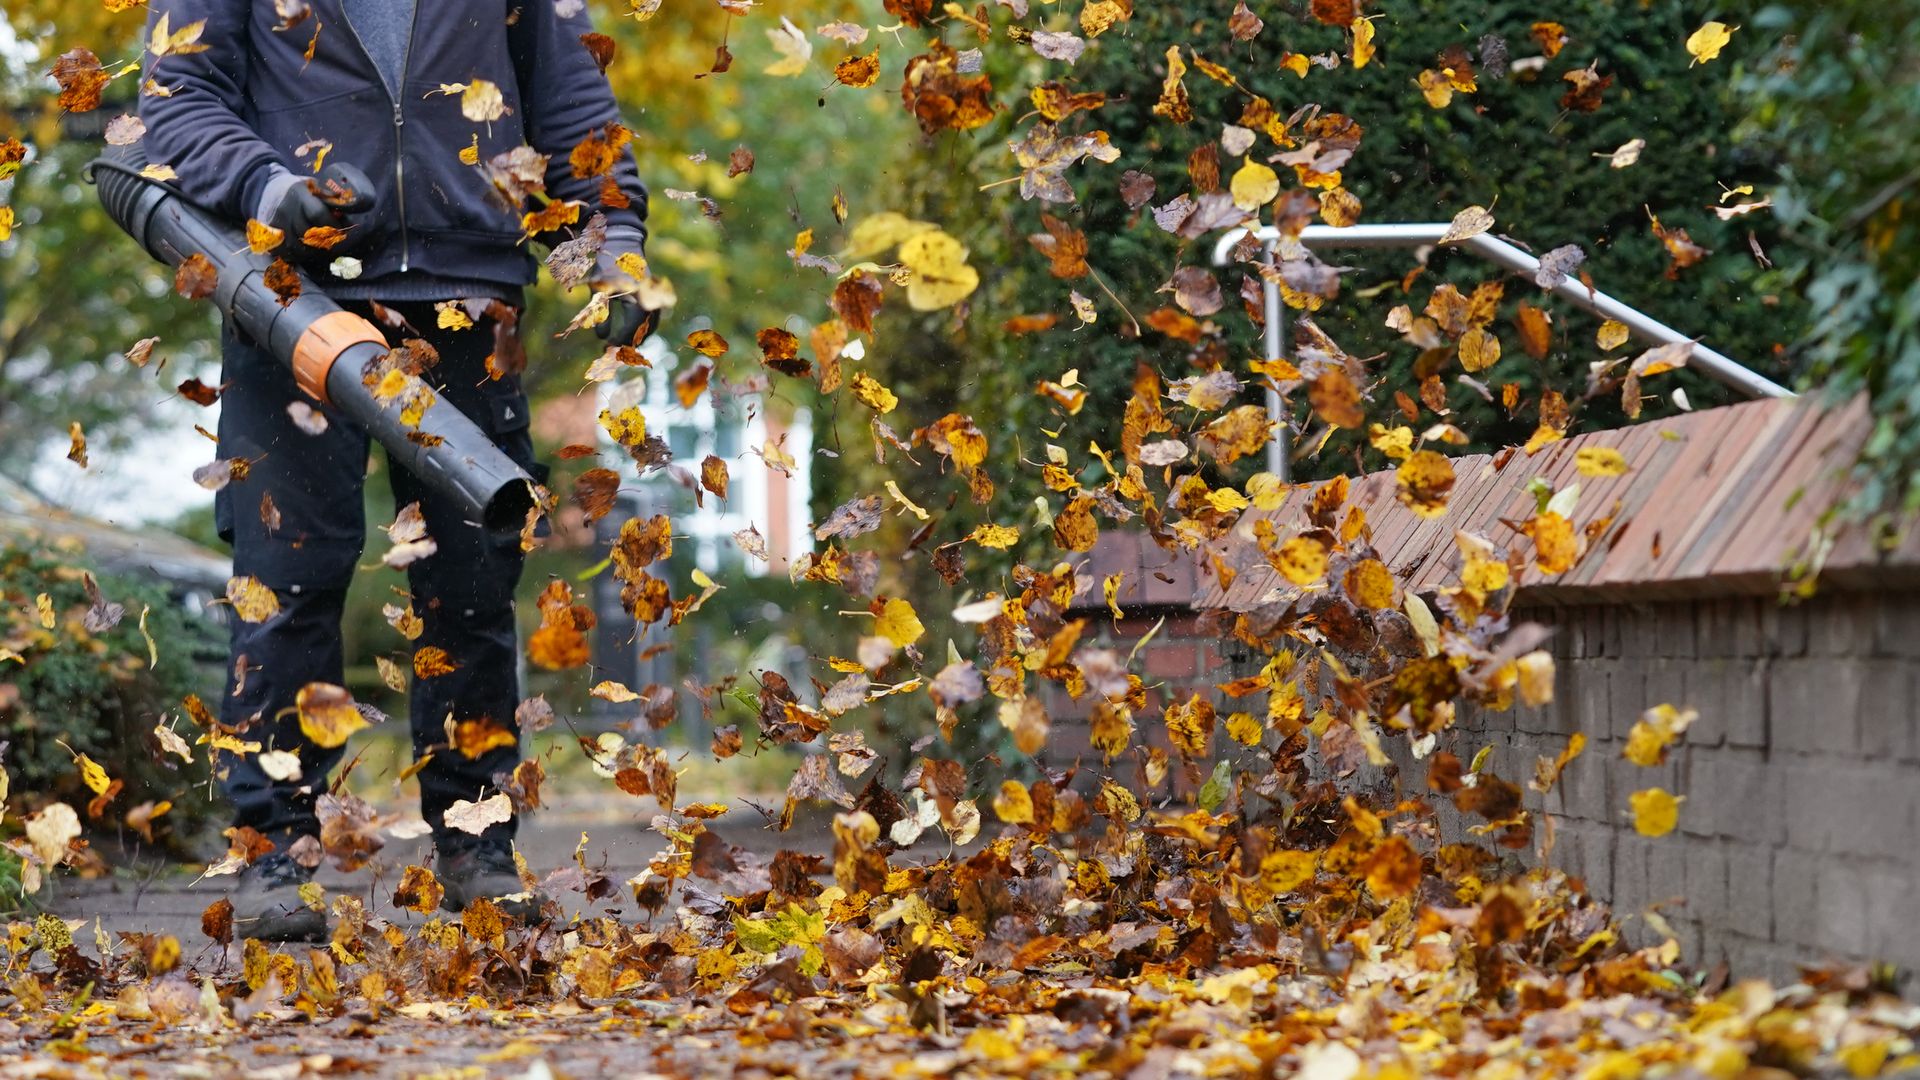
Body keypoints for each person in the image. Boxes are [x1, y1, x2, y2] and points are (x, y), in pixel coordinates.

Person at [140, 0, 651, 941]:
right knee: (287, 578)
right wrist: (265, 187)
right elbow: (173, 98)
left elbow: (573, 96)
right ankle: (271, 853)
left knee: (471, 581)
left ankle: (476, 842)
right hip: (293, 295)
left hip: (469, 296)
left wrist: (610, 239)